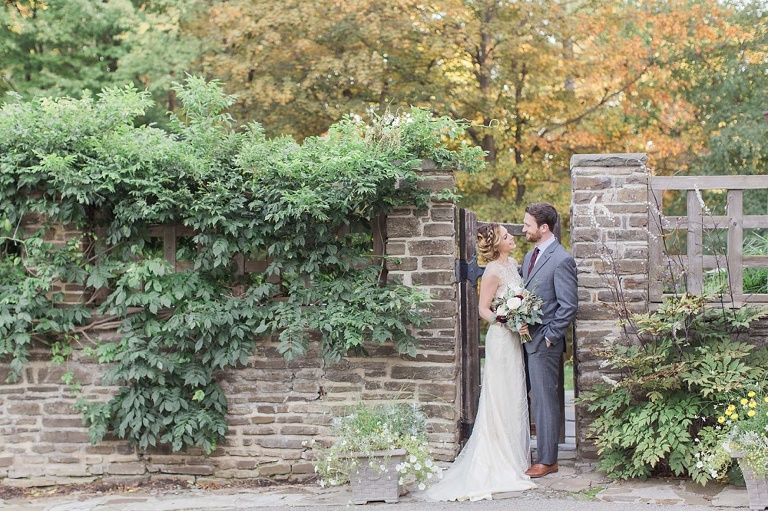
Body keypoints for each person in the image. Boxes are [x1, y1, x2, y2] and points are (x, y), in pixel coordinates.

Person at [425, 223, 537, 501]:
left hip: (514, 339)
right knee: (500, 395)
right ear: (497, 243)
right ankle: (497, 457)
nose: (512, 238)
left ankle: (515, 455)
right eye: (507, 236)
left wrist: (522, 317)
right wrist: (508, 320)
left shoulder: (513, 264)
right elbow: (483, 309)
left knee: (514, 394)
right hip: (501, 338)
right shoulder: (492, 271)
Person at [520, 202, 578, 478]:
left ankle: (547, 460)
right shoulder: (528, 256)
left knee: (544, 402)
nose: (524, 229)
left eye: (527, 225)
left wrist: (550, 338)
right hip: (524, 341)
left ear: (543, 228)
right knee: (527, 399)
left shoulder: (562, 259)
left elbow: (568, 305)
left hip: (544, 344)